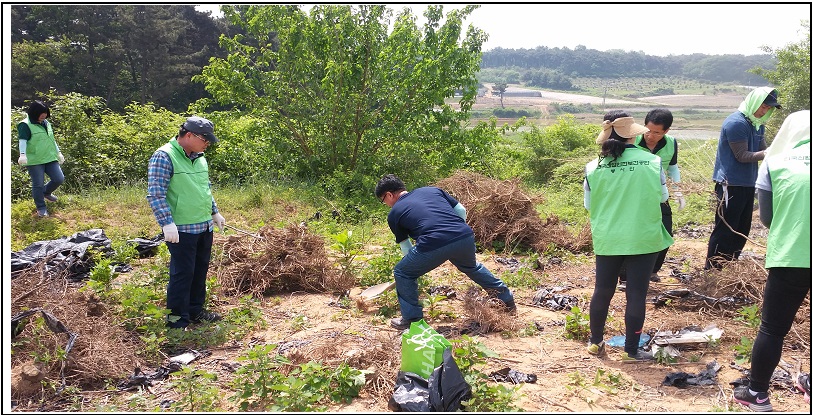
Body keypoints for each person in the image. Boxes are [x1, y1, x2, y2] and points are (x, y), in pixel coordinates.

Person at [732, 110, 810, 412]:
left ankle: (757, 394)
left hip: (790, 255)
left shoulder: (774, 163)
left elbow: (766, 218)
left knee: (773, 329)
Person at [584, 111, 673, 362]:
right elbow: (663, 198)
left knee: (602, 290)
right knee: (636, 293)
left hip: (608, 237)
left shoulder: (593, 167)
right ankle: (631, 351)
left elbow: (589, 205)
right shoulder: (652, 162)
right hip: (643, 237)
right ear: (632, 135)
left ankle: (595, 343)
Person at [375, 174, 516, 330]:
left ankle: (411, 318)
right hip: (464, 235)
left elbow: (406, 248)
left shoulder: (394, 214)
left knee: (402, 272)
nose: (387, 204)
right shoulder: (431, 190)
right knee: (471, 267)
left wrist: (413, 268)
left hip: (434, 243)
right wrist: (454, 235)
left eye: (384, 201)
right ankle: (507, 301)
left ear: (389, 194)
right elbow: (461, 210)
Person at [147, 116, 226, 329]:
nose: (207, 143)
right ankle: (177, 321)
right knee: (182, 274)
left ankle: (195, 310)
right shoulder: (164, 156)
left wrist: (214, 212)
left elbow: (204, 188)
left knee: (200, 270)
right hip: (181, 229)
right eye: (205, 139)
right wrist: (166, 223)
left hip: (203, 225)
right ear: (189, 135)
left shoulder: (199, 157)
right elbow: (156, 193)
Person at [705, 87, 781, 270]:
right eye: (763, 107)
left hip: (748, 182)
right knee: (726, 228)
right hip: (730, 183)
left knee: (741, 229)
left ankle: (729, 266)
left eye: (768, 108)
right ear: (754, 102)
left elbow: (762, 149)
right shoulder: (737, 123)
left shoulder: (757, 124)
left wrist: (772, 153)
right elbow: (742, 155)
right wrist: (768, 153)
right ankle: (713, 269)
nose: (765, 111)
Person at [631, 108, 685, 282]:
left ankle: (653, 270)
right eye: (648, 130)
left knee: (665, 233)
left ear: (666, 131)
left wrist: (678, 190)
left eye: (656, 133)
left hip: (660, 195)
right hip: (635, 196)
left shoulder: (671, 143)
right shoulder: (631, 141)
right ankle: (626, 274)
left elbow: (673, 168)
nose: (650, 136)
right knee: (635, 233)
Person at [17, 100, 65, 217]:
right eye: (41, 113)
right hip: (35, 160)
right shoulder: (25, 125)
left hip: (49, 157)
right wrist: (22, 154)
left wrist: (58, 152)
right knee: (38, 184)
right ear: (34, 113)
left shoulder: (46, 123)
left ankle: (46, 192)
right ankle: (41, 208)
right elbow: (22, 141)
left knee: (59, 178)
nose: (44, 116)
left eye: (45, 113)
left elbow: (51, 139)